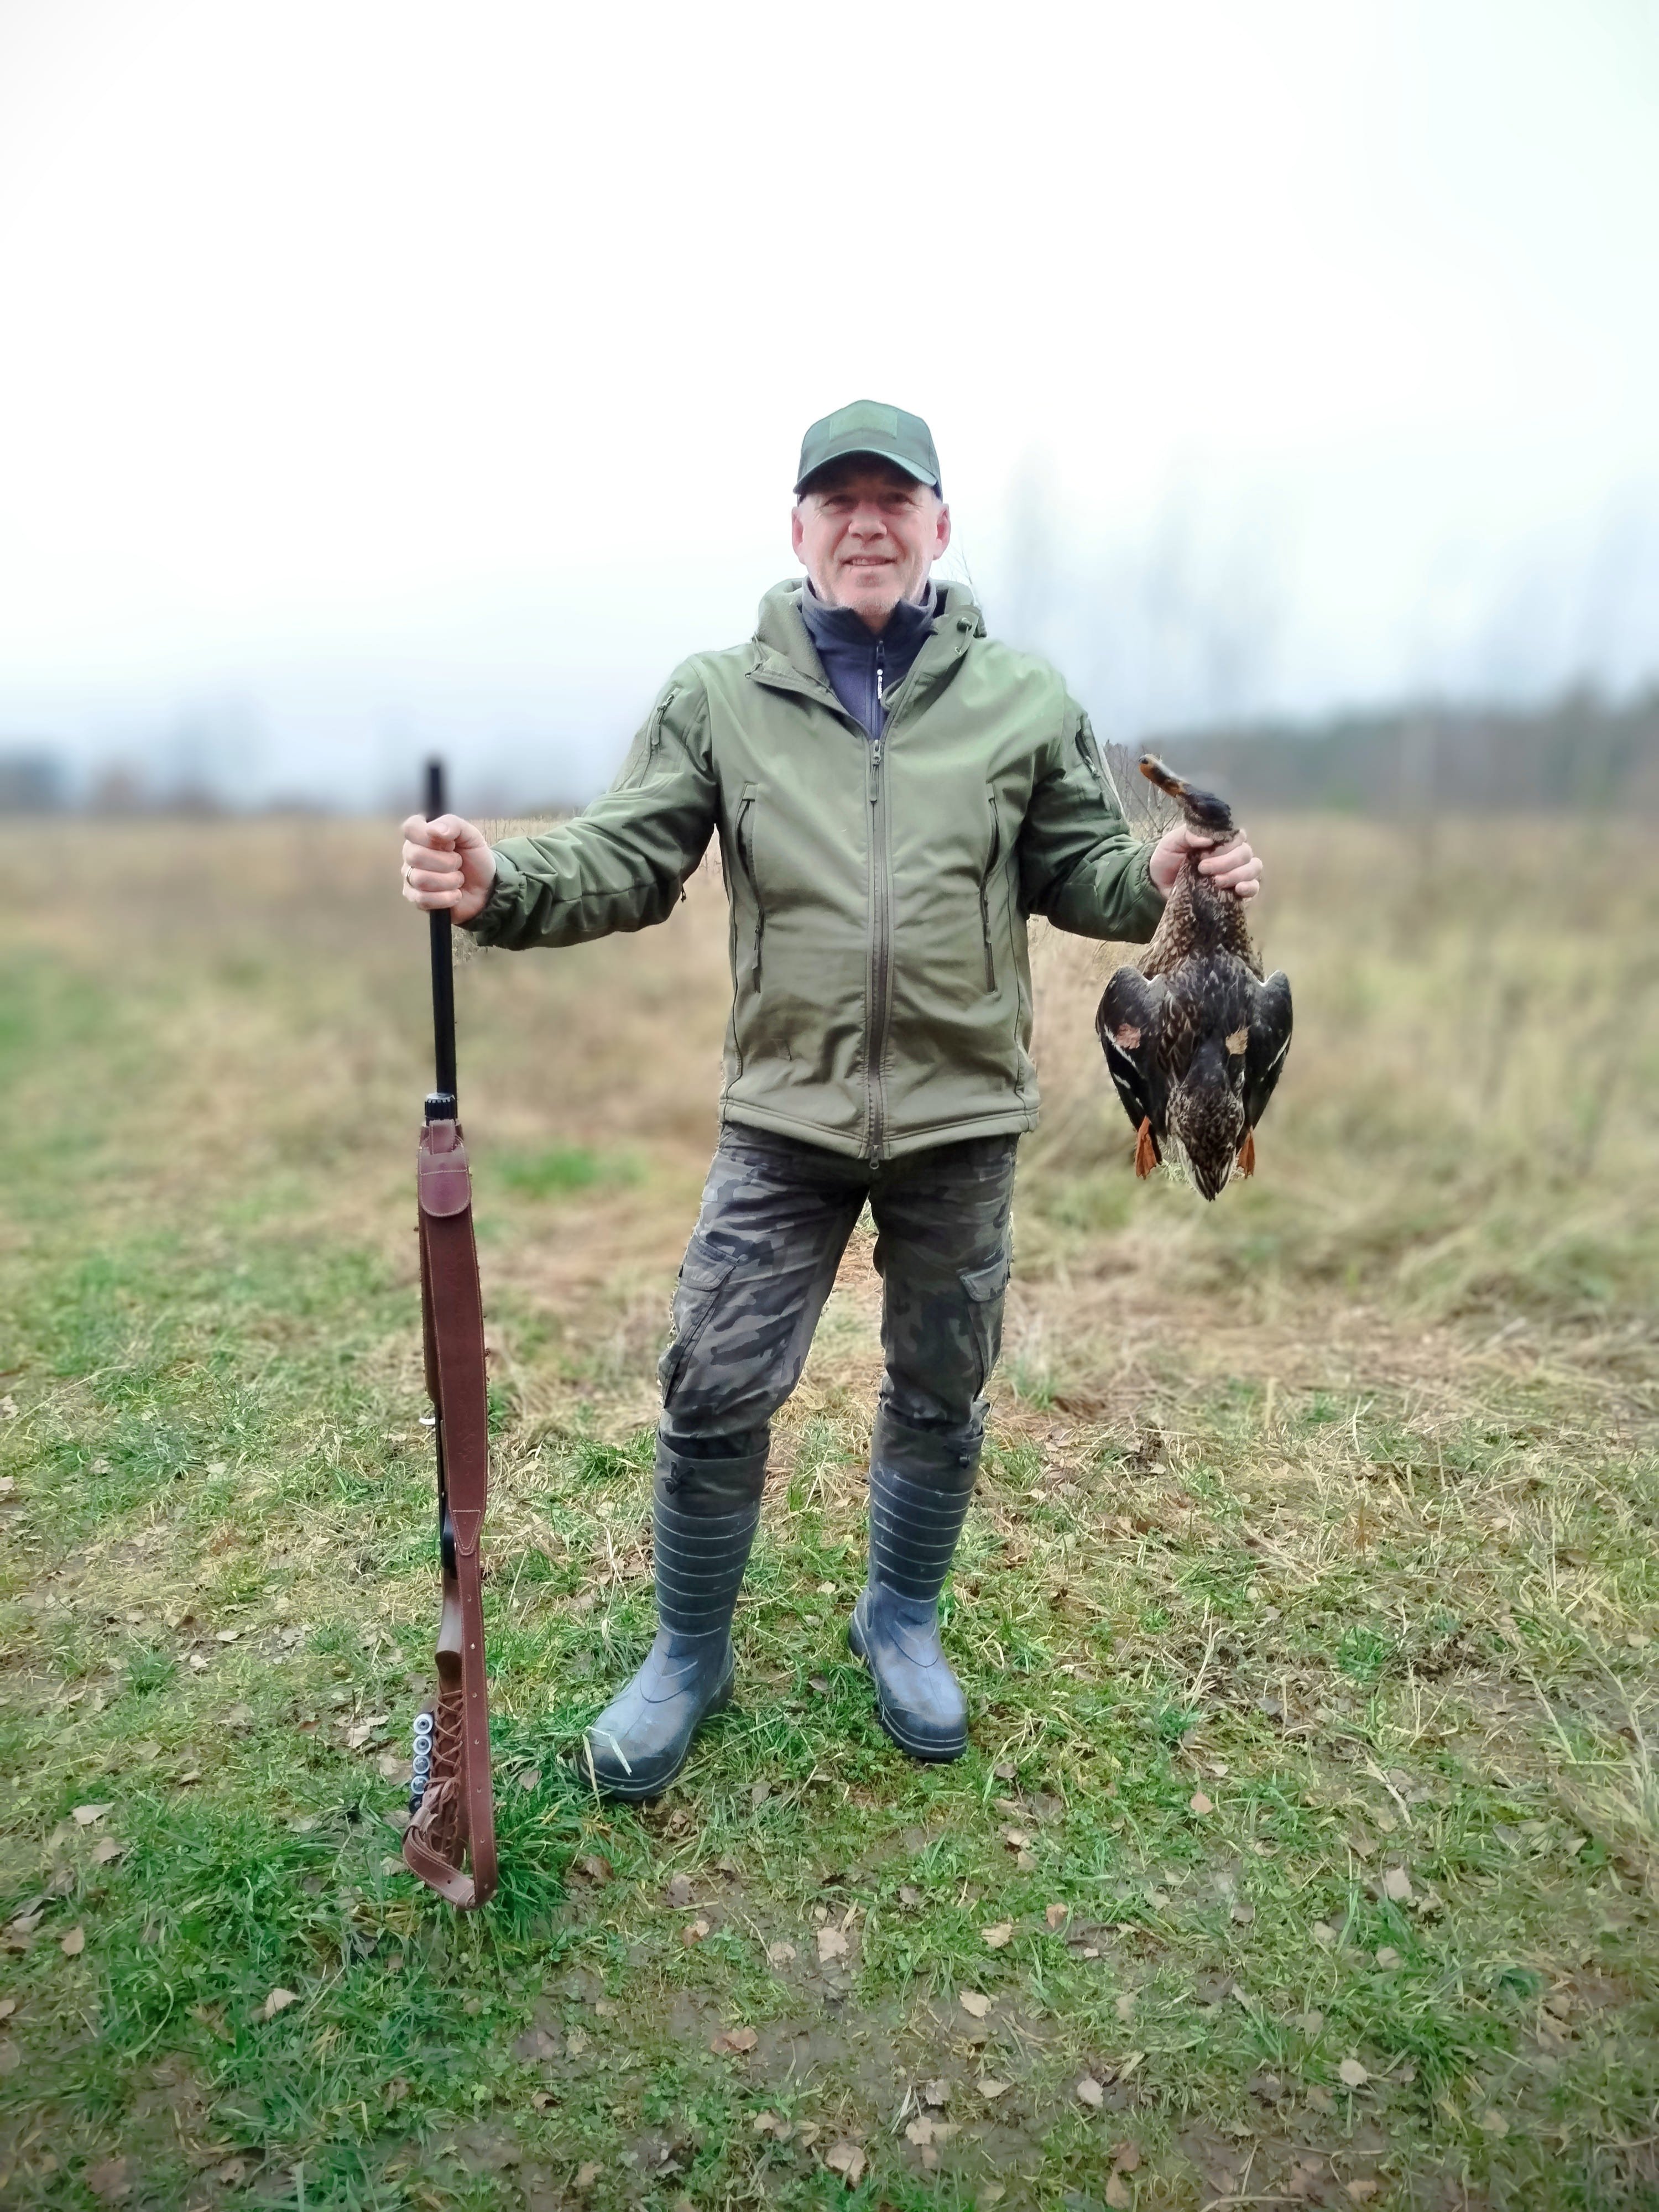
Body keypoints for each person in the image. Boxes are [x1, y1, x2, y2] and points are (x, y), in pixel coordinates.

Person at [400, 399, 1262, 1798]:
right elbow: (627, 855)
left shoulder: (1024, 698)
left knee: (943, 1382)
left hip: (961, 1117)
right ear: (796, 528)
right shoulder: (719, 697)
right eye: (838, 501)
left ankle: (900, 1619)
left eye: (893, 499)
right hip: (784, 1117)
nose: (867, 524)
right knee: (714, 1381)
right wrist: (499, 878)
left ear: (939, 523)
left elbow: (1085, 870)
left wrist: (1165, 875)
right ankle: (688, 1652)